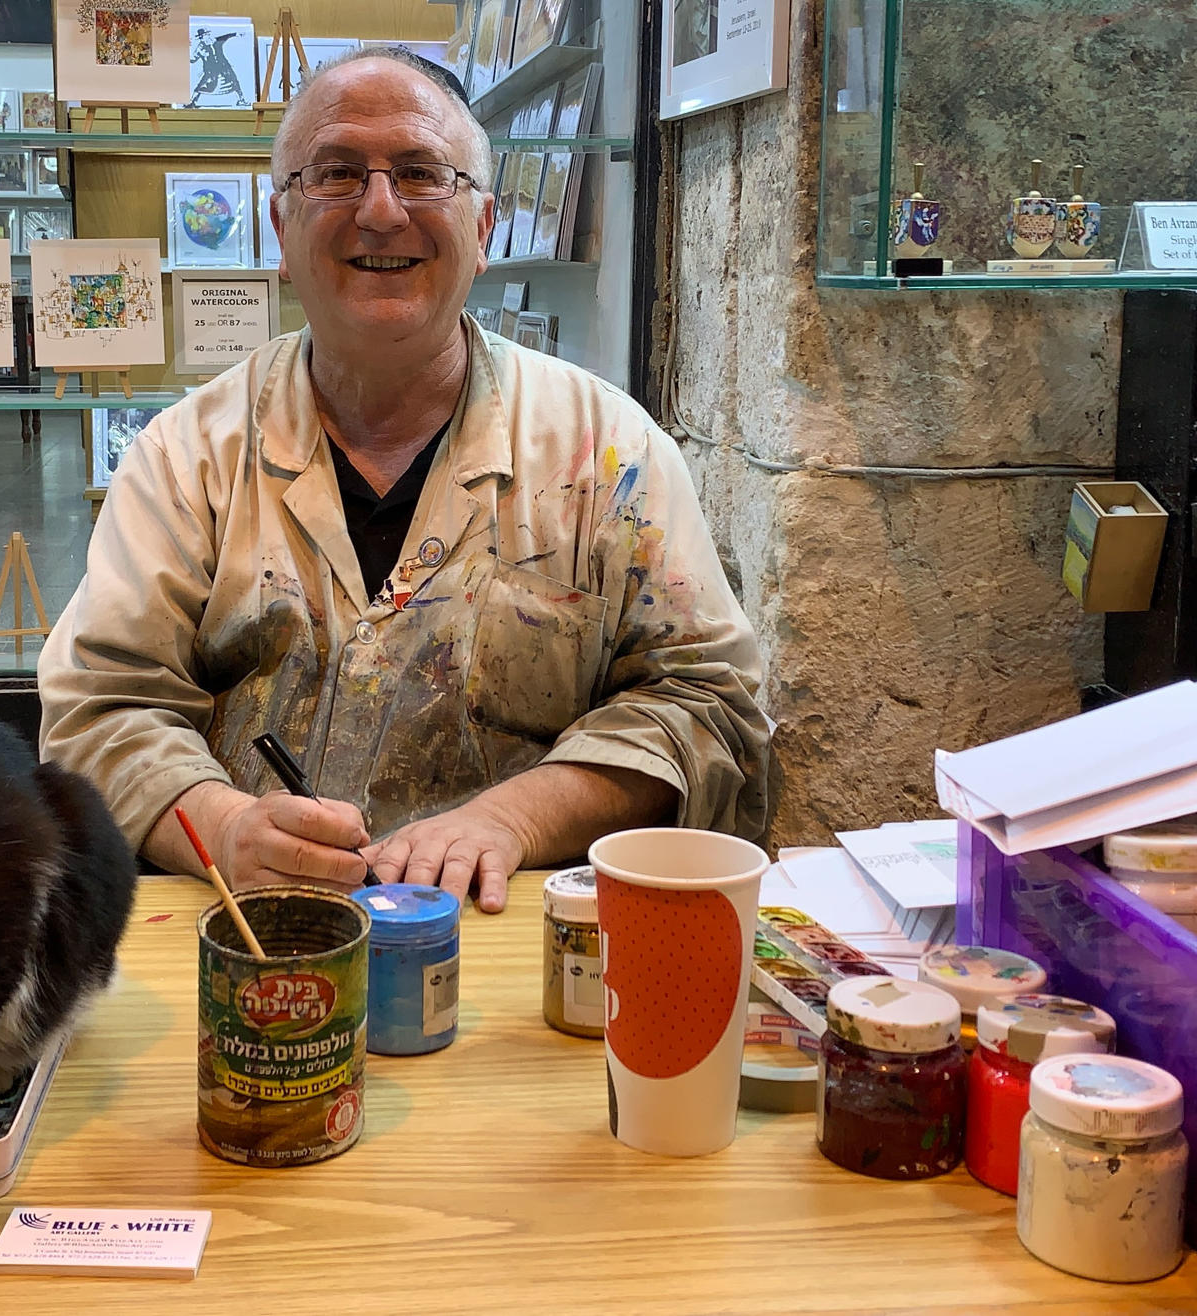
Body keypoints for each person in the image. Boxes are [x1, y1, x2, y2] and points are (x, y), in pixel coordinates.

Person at [38, 48, 770, 913]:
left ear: (487, 227)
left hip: (525, 947)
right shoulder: (186, 459)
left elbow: (710, 706)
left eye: (424, 175)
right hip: (254, 942)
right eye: (338, 175)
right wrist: (224, 827)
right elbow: (100, 711)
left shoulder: (609, 455)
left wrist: (519, 819)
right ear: (280, 228)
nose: (381, 212)